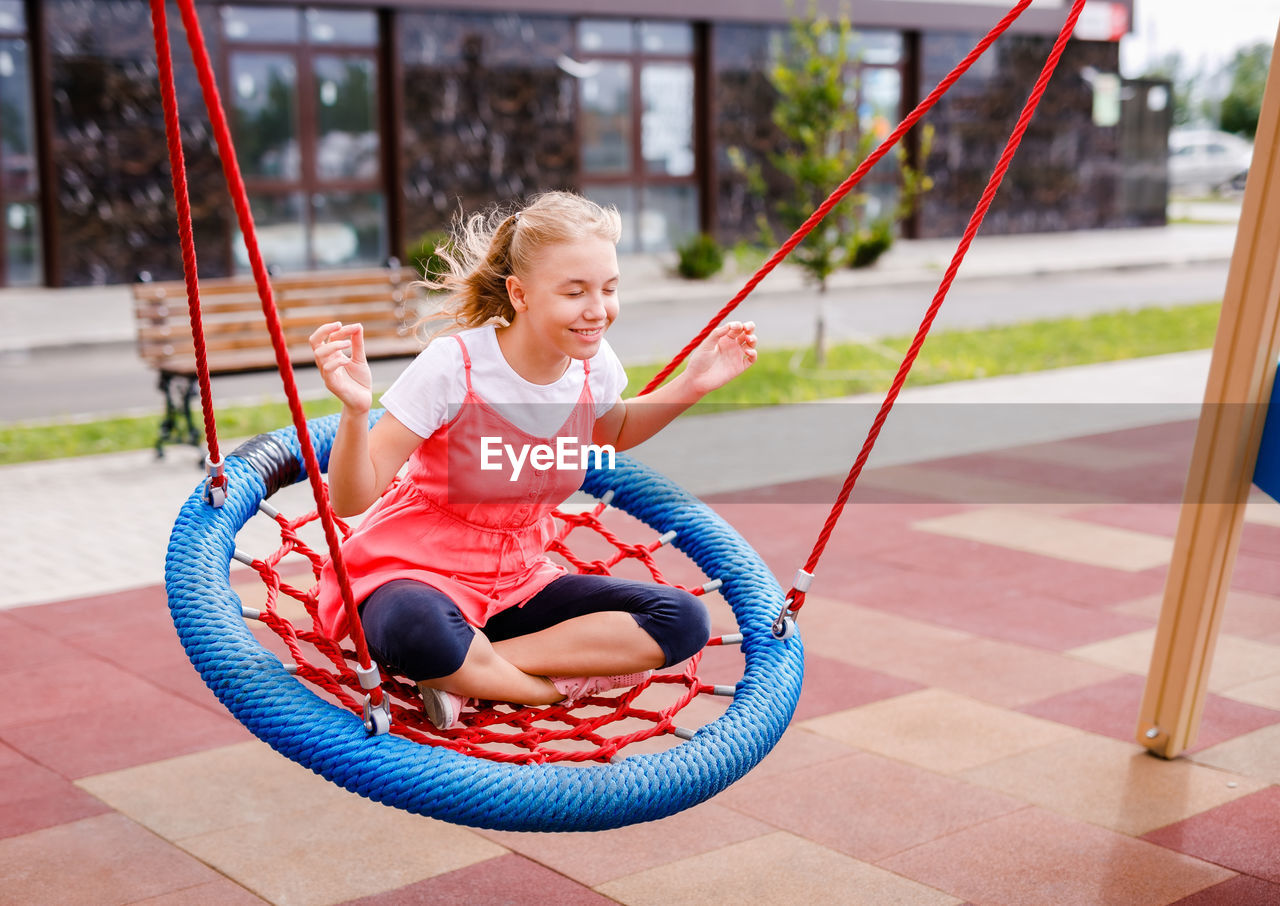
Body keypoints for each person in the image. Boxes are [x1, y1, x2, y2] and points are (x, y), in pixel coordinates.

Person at [310, 191, 757, 730]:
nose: (598, 310)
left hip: (518, 582)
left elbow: (612, 431)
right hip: (415, 571)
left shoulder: (592, 368)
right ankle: (542, 688)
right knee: (417, 630)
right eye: (575, 292)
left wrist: (693, 384)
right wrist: (356, 413)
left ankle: (471, 674)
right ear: (519, 294)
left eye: (609, 289)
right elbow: (351, 498)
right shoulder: (455, 367)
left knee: (682, 619)